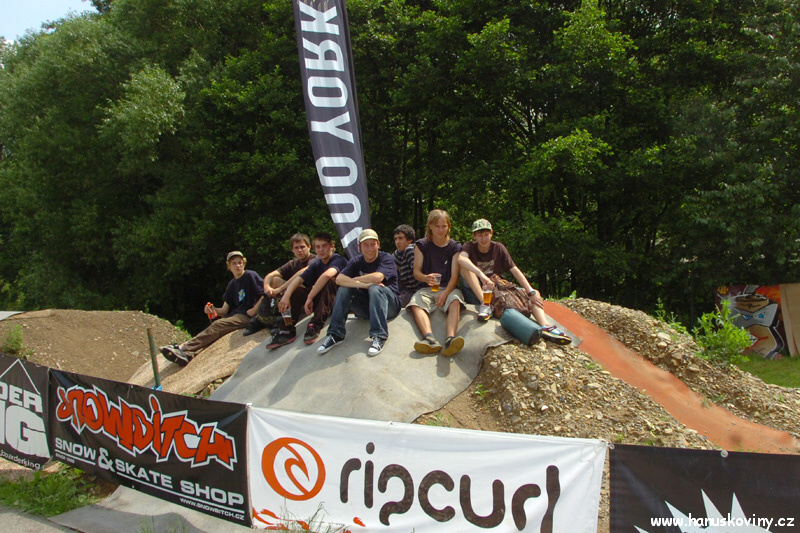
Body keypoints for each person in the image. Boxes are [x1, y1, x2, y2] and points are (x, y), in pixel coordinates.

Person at [458, 218, 571, 344]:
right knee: (464, 267)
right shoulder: (469, 247)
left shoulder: (498, 248)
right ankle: (485, 304)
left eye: (486, 234)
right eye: (480, 235)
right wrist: (481, 275)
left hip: (496, 289)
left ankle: (545, 325)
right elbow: (461, 259)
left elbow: (514, 270)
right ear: (474, 236)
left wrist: (530, 291)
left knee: (535, 293)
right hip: (477, 291)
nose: (484, 239)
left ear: (491, 233)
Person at [160, 251, 264, 365]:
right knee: (216, 329)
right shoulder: (232, 284)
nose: (238, 266)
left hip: (247, 315)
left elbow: (265, 293)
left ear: (244, 263)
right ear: (229, 266)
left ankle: (183, 349)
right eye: (234, 263)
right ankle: (190, 355)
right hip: (235, 315)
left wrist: (254, 310)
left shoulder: (250, 275)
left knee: (218, 325)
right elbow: (223, 310)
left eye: (240, 263)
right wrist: (213, 310)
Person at [317, 229, 402, 357]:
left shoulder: (386, 258)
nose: (370, 249)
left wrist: (355, 279)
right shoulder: (356, 261)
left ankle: (379, 336)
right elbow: (339, 279)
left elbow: (377, 278)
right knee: (344, 289)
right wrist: (362, 285)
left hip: (390, 306)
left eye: (373, 244)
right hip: (366, 308)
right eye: (365, 245)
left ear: (378, 244)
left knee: (374, 288)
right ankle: (335, 334)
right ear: (359, 246)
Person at [268, 232, 347, 349]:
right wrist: (286, 296)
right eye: (318, 247)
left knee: (331, 281)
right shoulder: (317, 263)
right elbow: (299, 279)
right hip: (322, 301)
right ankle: (287, 328)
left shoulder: (338, 259)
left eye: (324, 246)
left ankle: (315, 325)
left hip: (337, 301)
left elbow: (327, 275)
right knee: (296, 290)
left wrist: (310, 297)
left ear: (331, 246)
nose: (321, 250)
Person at [408, 209, 466, 357]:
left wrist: (445, 294)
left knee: (455, 301)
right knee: (415, 303)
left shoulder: (455, 247)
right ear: (430, 226)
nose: (440, 230)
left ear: (449, 227)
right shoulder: (421, 245)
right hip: (426, 288)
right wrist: (426, 278)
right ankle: (429, 338)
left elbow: (455, 276)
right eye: (437, 226)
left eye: (444, 226)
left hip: (448, 287)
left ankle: (450, 339)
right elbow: (416, 272)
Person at [243, 233, 315, 336]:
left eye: (302, 247)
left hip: (308, 297)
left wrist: (281, 289)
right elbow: (270, 275)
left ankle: (283, 322)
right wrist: (267, 287)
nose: (300, 250)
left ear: (309, 247)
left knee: (295, 287)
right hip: (293, 296)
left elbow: (302, 273)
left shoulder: (314, 260)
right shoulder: (293, 263)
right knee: (274, 280)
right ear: (292, 250)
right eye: (296, 248)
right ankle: (261, 318)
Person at [393, 224, 424, 307]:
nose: (397, 242)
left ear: (410, 239)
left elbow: (419, 273)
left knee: (395, 304)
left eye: (400, 238)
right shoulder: (397, 254)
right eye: (395, 239)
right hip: (405, 289)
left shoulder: (410, 249)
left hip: (417, 290)